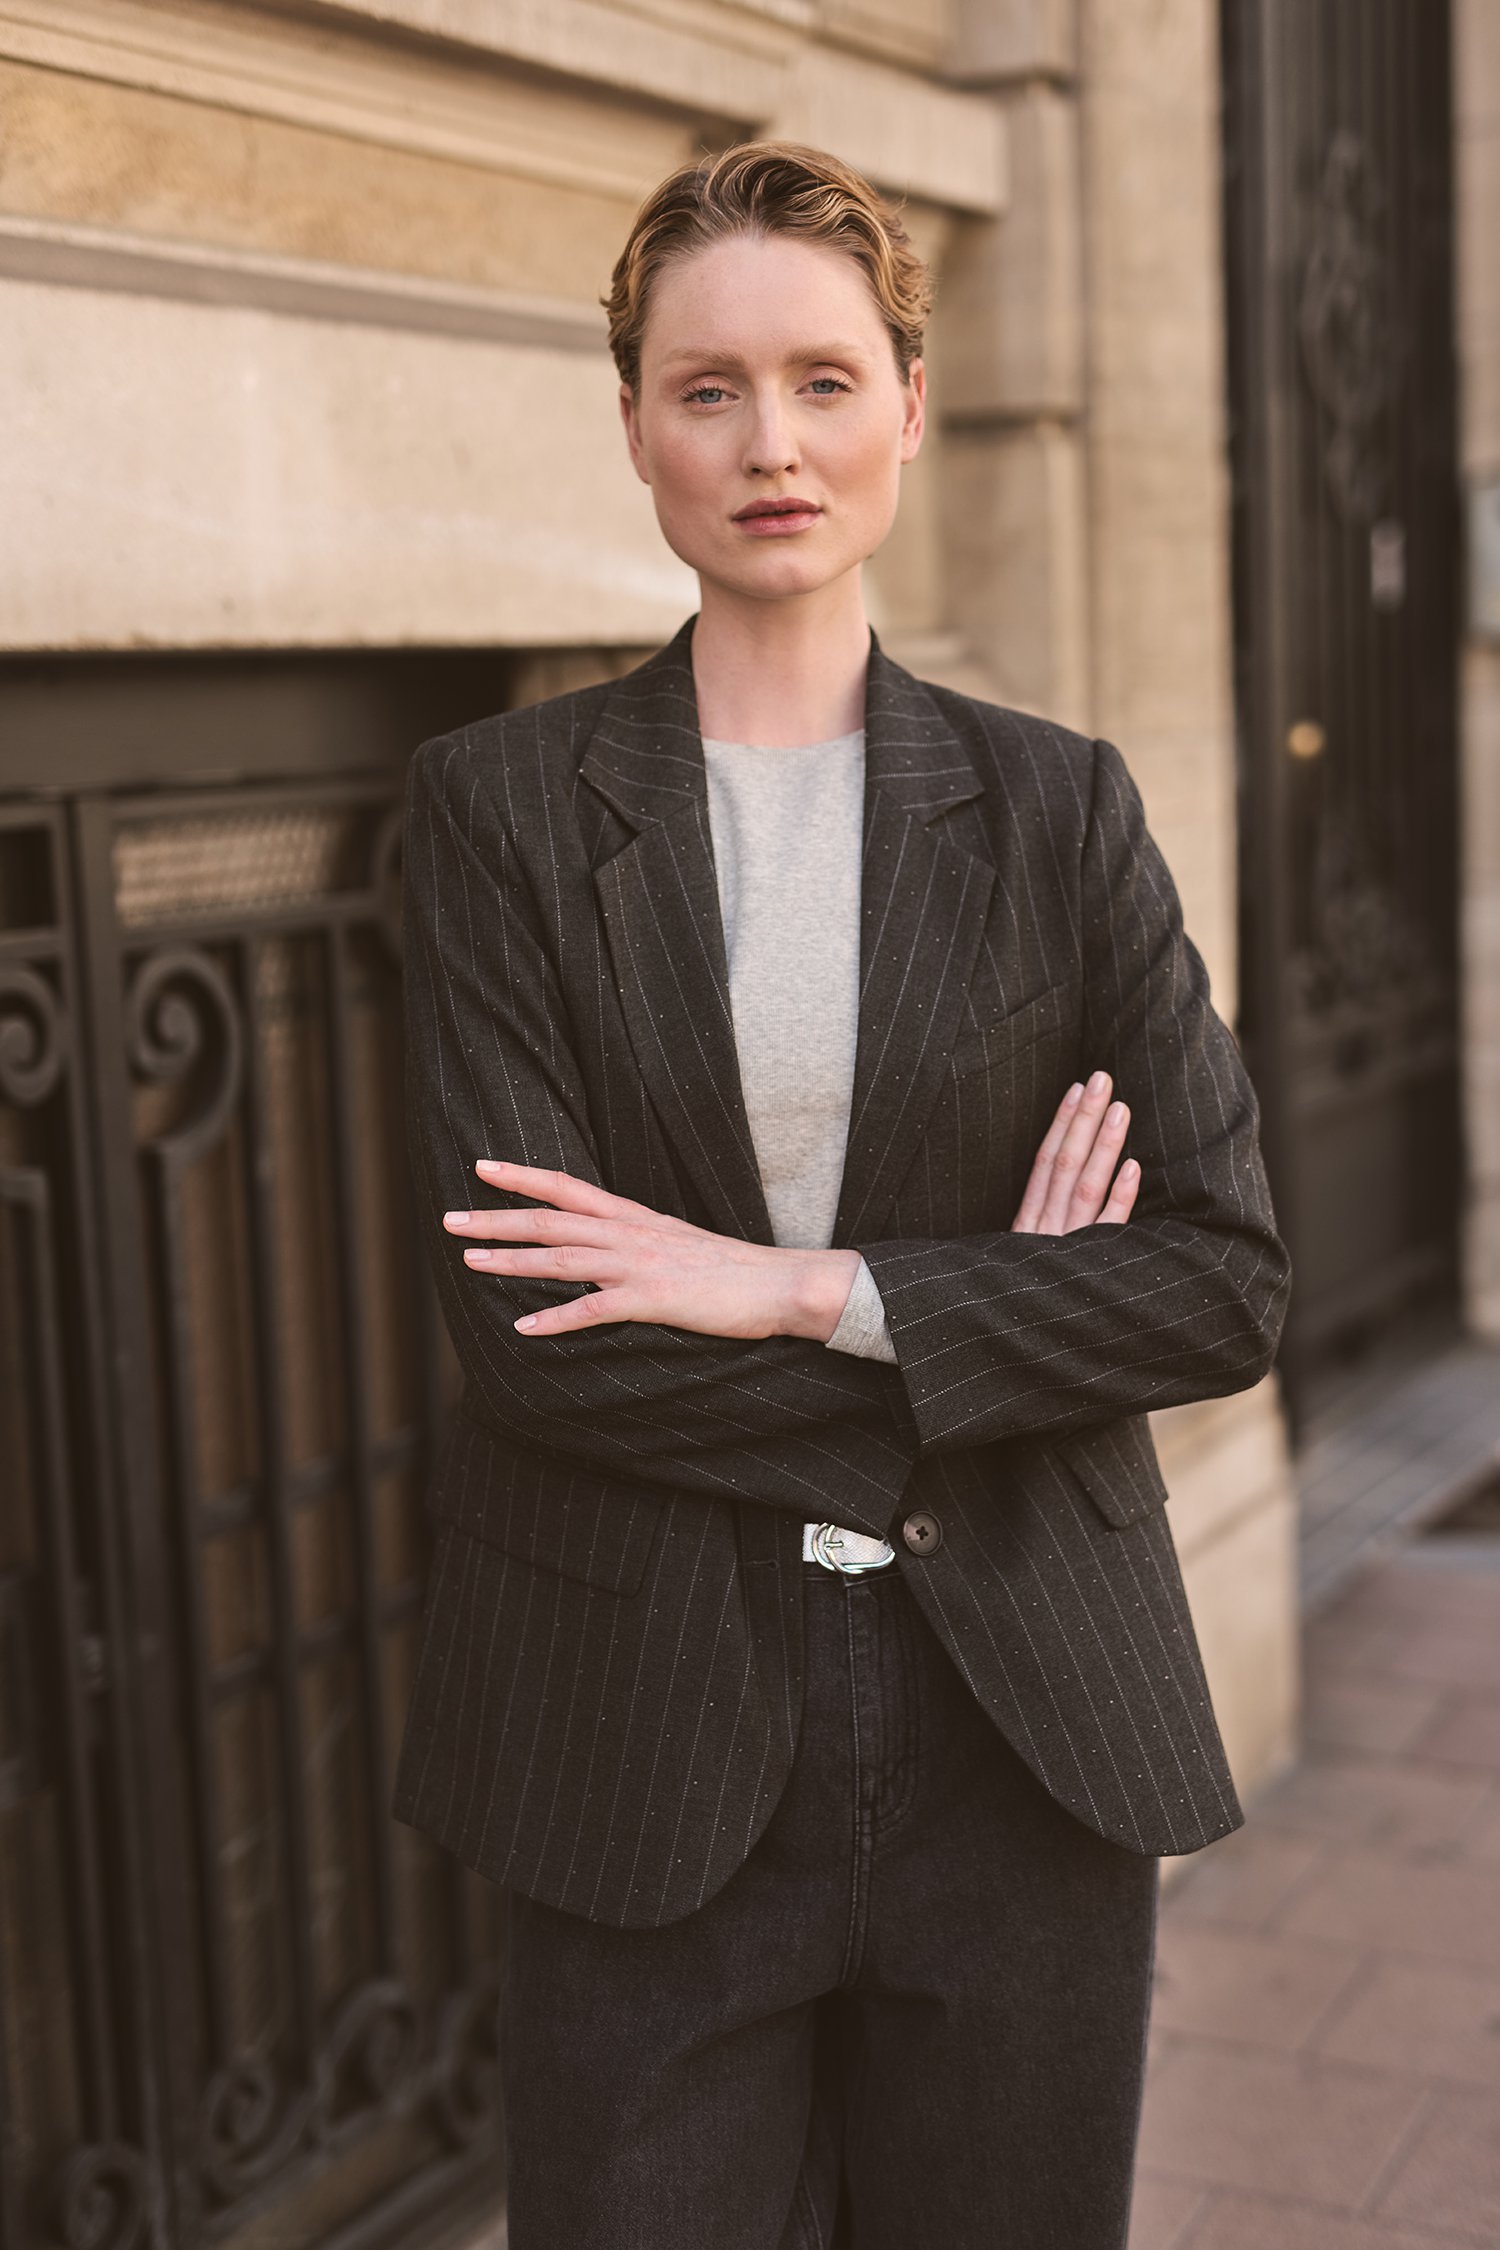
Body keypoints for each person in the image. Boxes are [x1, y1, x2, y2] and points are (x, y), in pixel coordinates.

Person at [392, 139, 1291, 2250]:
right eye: (706, 389)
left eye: (820, 379)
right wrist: (1005, 1322)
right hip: (644, 1727)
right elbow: (536, 1339)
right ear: (635, 428)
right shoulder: (498, 811)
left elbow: (1221, 1282)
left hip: (1025, 1723)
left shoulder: (1059, 806)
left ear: (909, 403)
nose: (769, 443)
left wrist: (792, 1288)